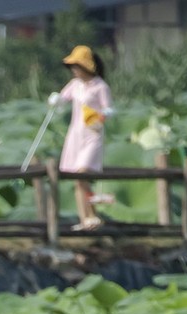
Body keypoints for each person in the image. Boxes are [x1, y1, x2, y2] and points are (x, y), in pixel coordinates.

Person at [48, 45, 114, 231]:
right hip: (76, 135)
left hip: (93, 134)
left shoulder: (100, 86)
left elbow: (109, 108)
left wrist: (100, 117)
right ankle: (87, 218)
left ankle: (91, 216)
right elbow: (63, 99)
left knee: (82, 173)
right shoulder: (74, 85)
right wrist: (56, 100)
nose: (74, 70)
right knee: (78, 179)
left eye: (77, 66)